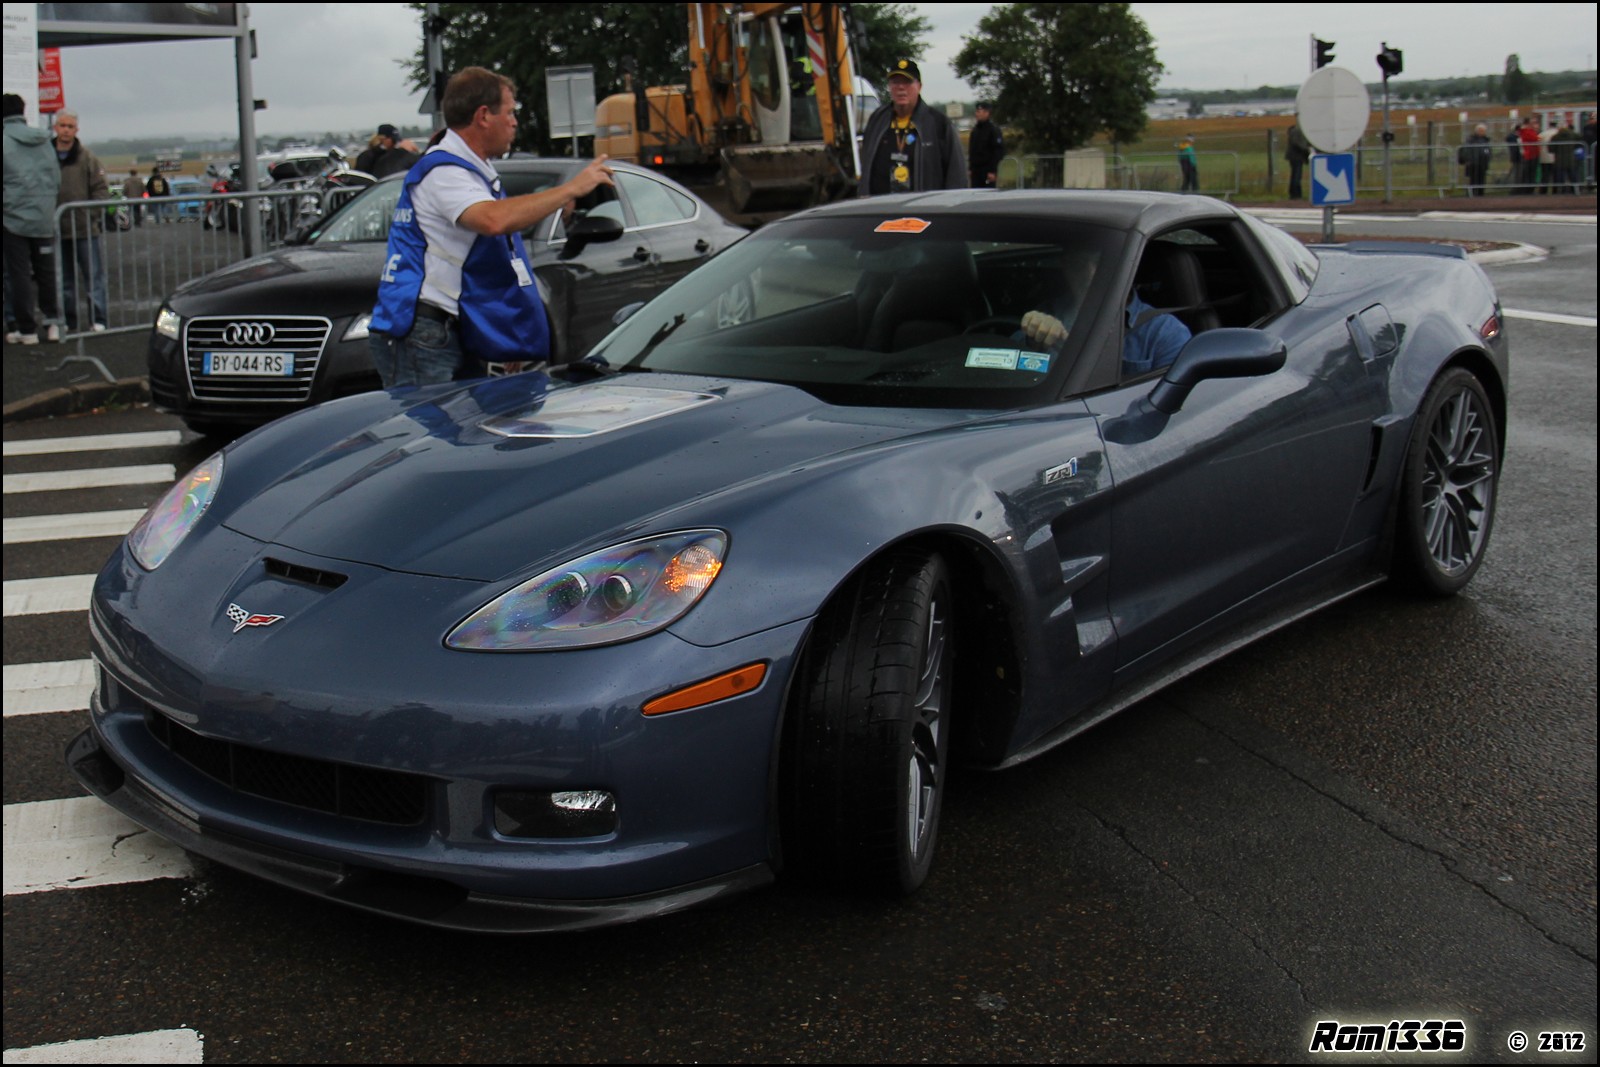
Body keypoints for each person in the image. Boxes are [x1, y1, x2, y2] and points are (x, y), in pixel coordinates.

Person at [367, 66, 615, 388]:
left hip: (443, 329)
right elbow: (494, 220)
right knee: (426, 436)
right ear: (484, 116)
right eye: (510, 113)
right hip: (423, 333)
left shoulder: (470, 169)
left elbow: (490, 249)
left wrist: (504, 337)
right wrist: (571, 188)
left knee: (459, 434)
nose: (514, 122)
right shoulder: (444, 171)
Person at [3, 93, 62, 346]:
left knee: (19, 275)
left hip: (12, 219)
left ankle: (27, 329)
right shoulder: (43, 140)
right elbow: (56, 178)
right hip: (44, 216)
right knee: (47, 272)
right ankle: (53, 324)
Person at [857, 59, 966, 196]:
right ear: (889, 86)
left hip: (923, 212)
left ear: (919, 86)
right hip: (882, 209)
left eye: (907, 82)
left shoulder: (938, 123)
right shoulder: (877, 120)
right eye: (895, 82)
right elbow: (865, 168)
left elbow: (957, 174)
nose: (901, 87)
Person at [53, 111, 110, 333]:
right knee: (64, 280)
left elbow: (101, 189)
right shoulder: (46, 157)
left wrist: (91, 215)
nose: (66, 129)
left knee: (93, 278)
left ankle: (98, 319)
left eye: (70, 126)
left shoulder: (88, 158)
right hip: (57, 230)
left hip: (85, 230)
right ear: (55, 128)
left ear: (76, 130)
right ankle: (68, 321)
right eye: (62, 125)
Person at [967, 102, 1004, 189]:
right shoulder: (975, 130)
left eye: (980, 112)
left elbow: (998, 151)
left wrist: (992, 170)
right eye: (977, 112)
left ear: (987, 113)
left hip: (987, 170)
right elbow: (972, 151)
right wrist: (971, 168)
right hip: (976, 171)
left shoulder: (993, 130)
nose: (977, 114)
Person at [1459, 124, 1492, 197]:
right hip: (1473, 163)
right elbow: (1466, 150)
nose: (1482, 132)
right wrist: (1467, 160)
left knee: (1482, 180)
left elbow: (1488, 150)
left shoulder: (1486, 140)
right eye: (1480, 131)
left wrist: (1488, 158)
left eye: (1483, 131)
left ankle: (1481, 194)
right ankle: (1472, 194)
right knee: (1473, 180)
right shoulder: (1471, 140)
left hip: (1483, 163)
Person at [1285, 121, 1312, 200]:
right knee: (1296, 175)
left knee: (1295, 175)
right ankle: (1296, 194)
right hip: (1296, 156)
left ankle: (1294, 194)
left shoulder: (1296, 130)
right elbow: (1297, 144)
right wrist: (1307, 149)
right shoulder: (1297, 131)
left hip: (1295, 156)